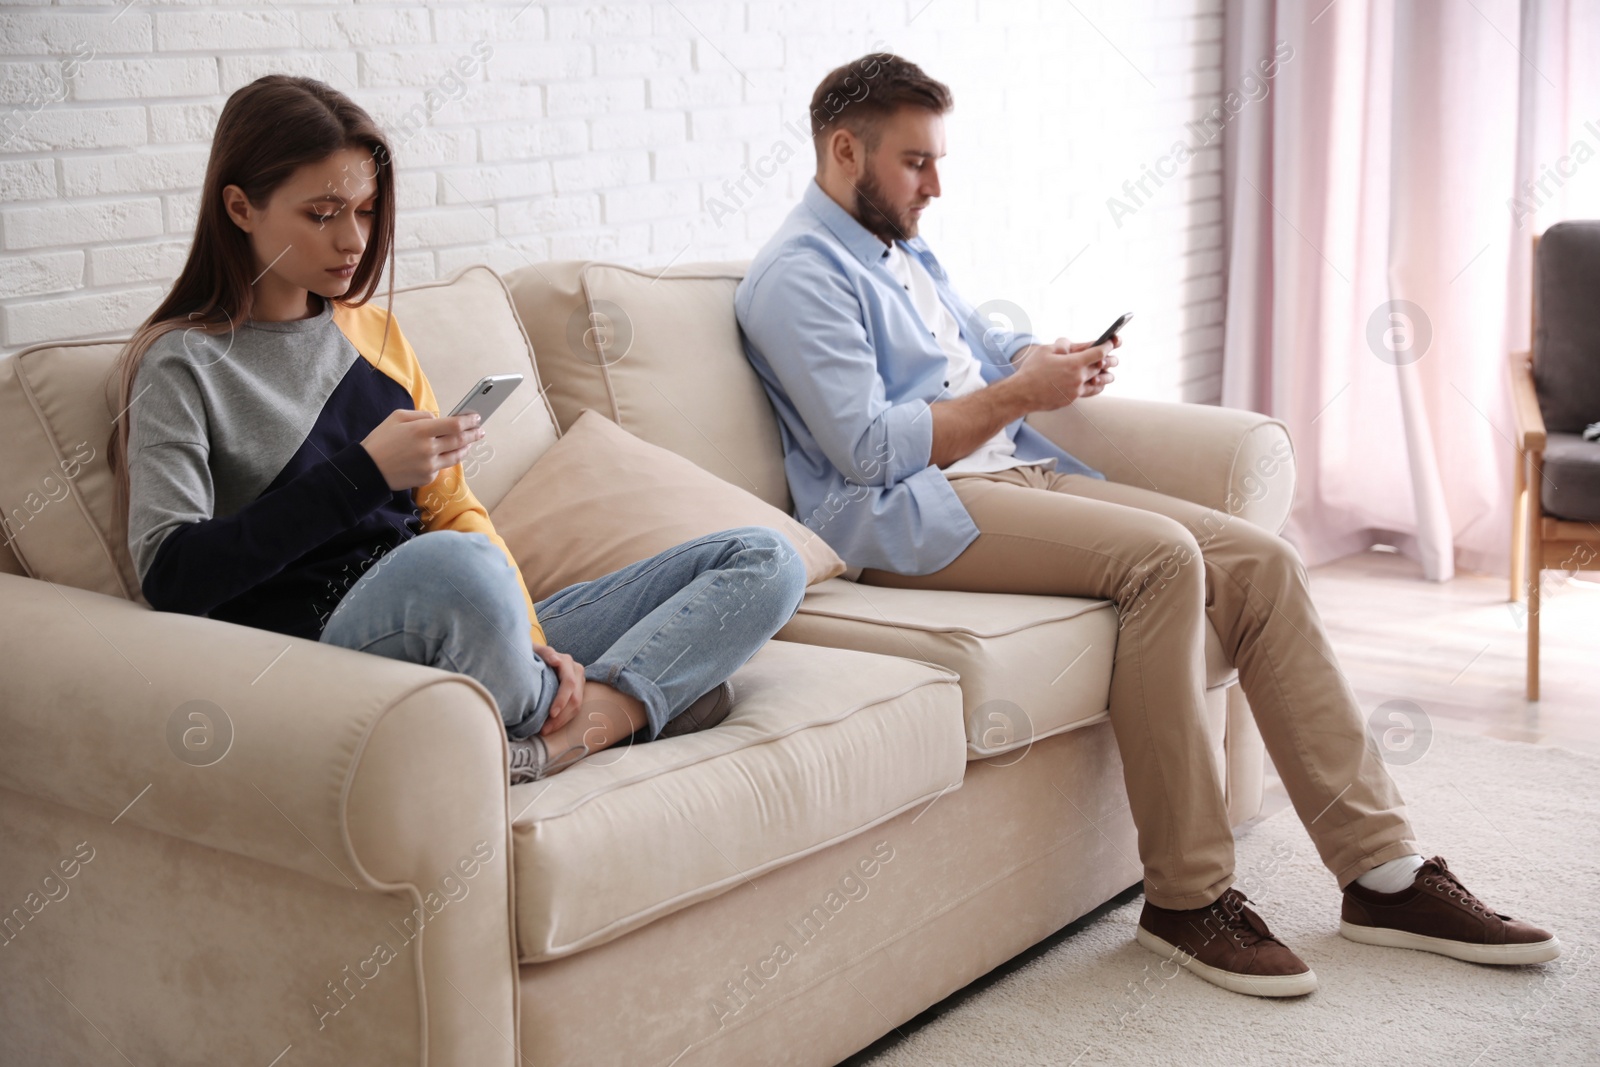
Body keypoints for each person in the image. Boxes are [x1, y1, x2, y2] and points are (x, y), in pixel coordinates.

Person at [733, 53, 1559, 997]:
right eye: (916, 162)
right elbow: (873, 449)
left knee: (1264, 561)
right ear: (846, 150)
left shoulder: (899, 245)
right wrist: (1015, 397)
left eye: (937, 159)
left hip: (1008, 482)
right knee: (1167, 561)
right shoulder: (797, 277)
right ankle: (1186, 898)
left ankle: (1385, 873)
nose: (936, 184)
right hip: (905, 521)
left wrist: (1051, 360)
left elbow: (973, 345)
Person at [109, 76, 807, 784]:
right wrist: (365, 472)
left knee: (763, 559)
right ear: (239, 207)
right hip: (330, 649)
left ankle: (577, 723)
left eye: (365, 209)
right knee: (459, 571)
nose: (353, 240)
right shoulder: (182, 362)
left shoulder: (373, 332)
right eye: (322, 213)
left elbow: (450, 508)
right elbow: (172, 576)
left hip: (461, 616)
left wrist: (531, 636)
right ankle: (634, 701)